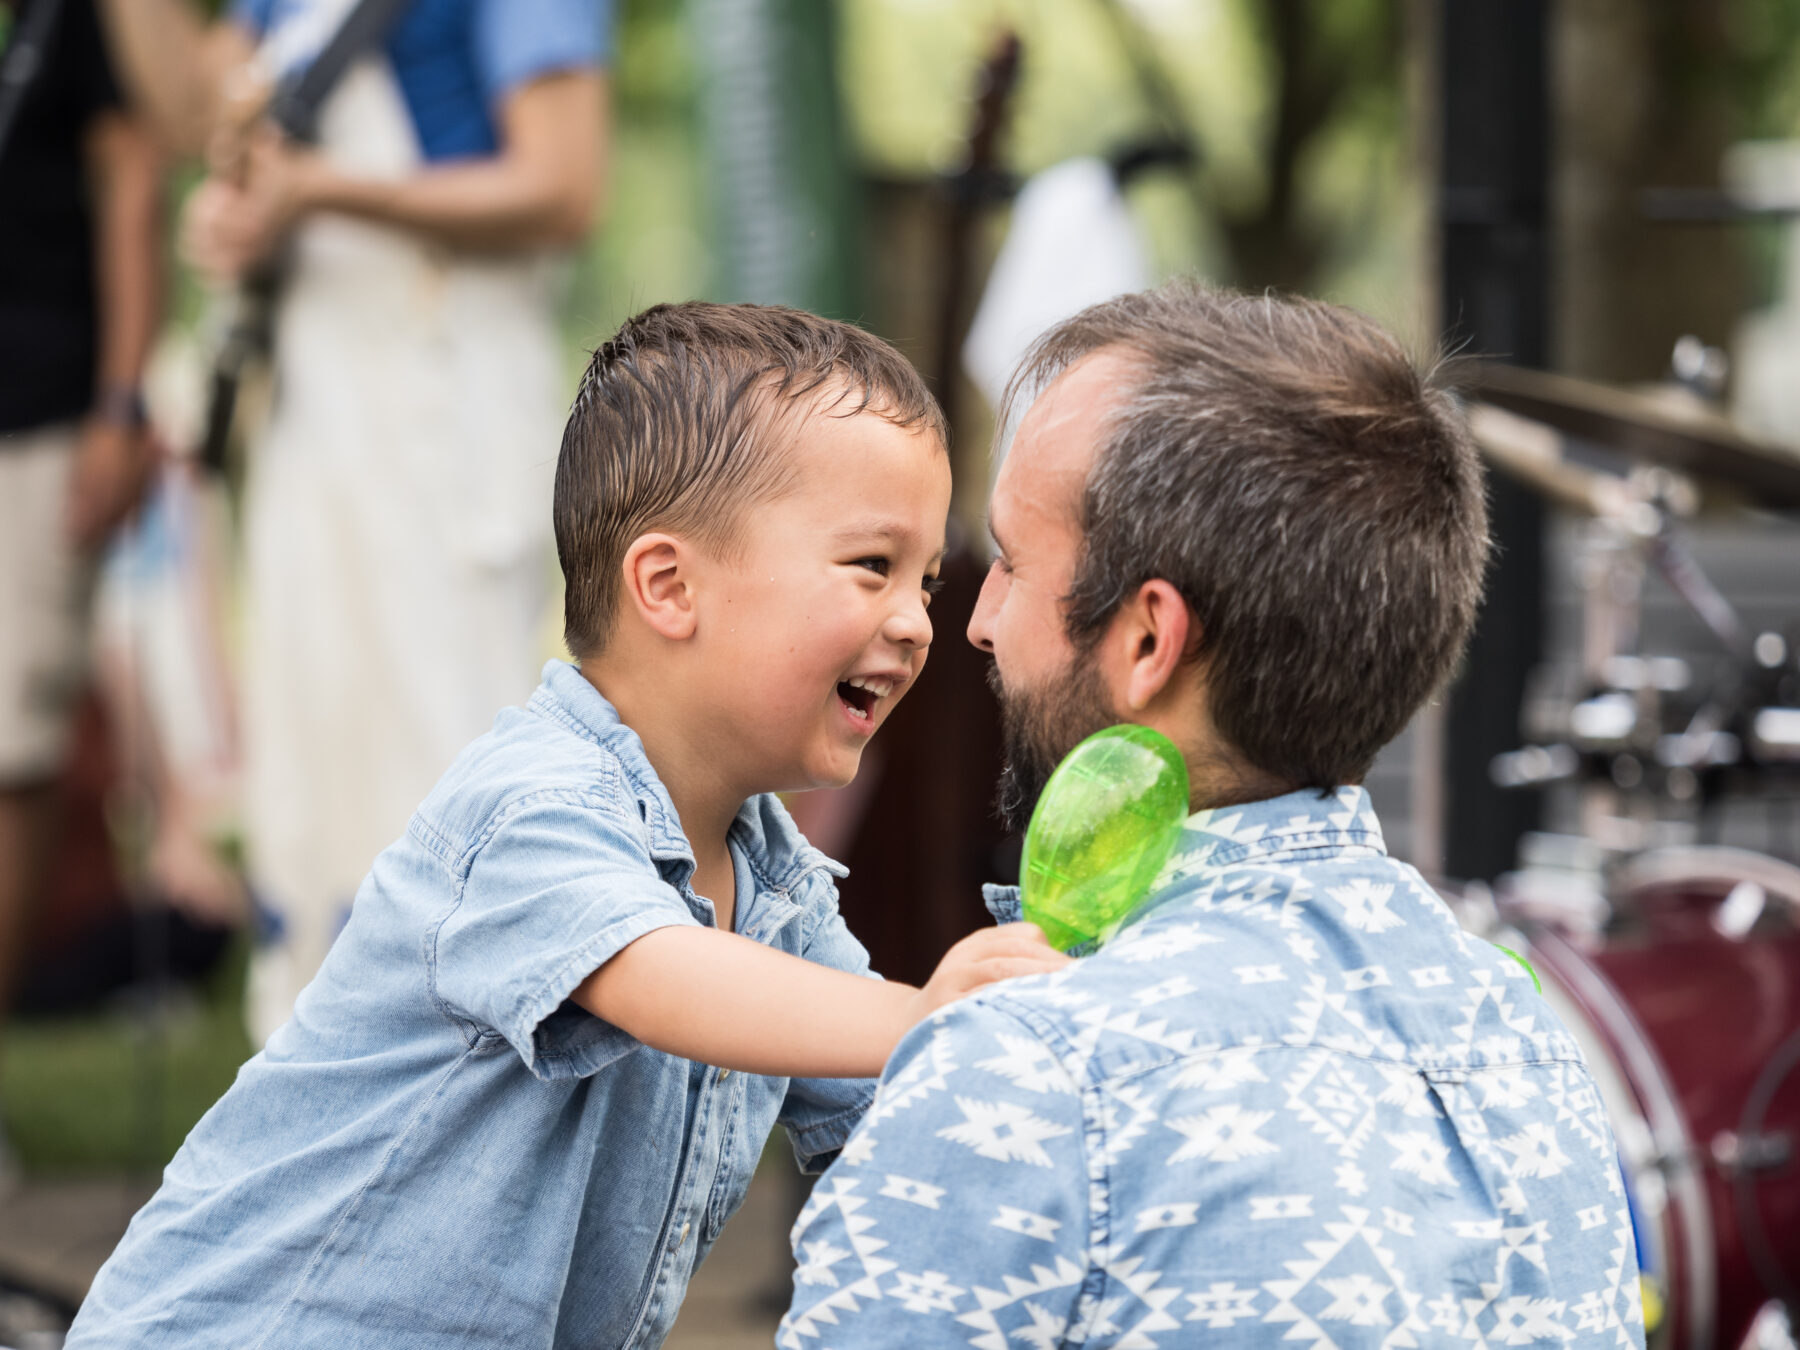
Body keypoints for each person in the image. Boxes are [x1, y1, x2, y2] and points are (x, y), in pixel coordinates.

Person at [64, 303, 1069, 1348]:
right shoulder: (531, 807)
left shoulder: (777, 888)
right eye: (873, 567)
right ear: (670, 587)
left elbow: (895, 1108)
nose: (915, 620)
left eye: (928, 581)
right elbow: (659, 976)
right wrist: (929, 1017)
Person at [781, 284, 1647, 1348]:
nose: (981, 622)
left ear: (1150, 641)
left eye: (1012, 560)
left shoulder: (1025, 1071)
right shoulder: (1531, 1045)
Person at [95, 0, 612, 1041]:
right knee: (310, 775)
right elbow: (203, 113)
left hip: (442, 385)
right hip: (314, 401)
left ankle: (467, 1116)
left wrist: (318, 194)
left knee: (436, 769)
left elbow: (563, 184)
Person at [0, 0, 160, 1176]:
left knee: (13, 752)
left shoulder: (79, 19)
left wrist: (121, 402)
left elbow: (136, 180)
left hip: (45, 412)